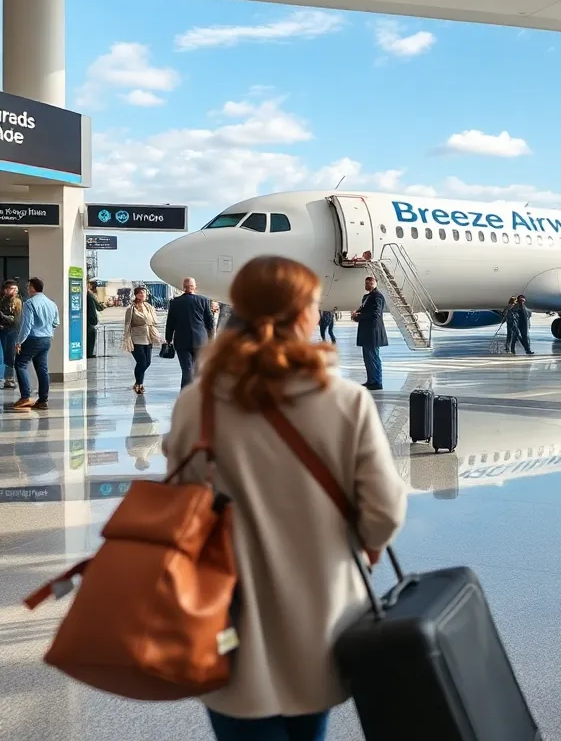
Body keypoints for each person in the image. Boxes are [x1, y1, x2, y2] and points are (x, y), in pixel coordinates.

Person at [162, 255, 407, 741]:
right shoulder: (345, 400)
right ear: (301, 315)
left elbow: (178, 504)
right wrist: (367, 545)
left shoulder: (198, 402)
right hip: (320, 619)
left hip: (225, 616)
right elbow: (383, 510)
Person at [12, 277, 60, 412]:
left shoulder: (29, 303)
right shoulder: (51, 303)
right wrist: (49, 334)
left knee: (20, 364)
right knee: (42, 369)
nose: (27, 289)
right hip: (46, 339)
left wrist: (19, 341)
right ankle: (43, 400)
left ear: (33, 288)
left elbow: (27, 326)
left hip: (33, 339)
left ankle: (25, 397)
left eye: (28, 286)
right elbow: (56, 323)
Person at [164, 277, 215, 389]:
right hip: (200, 340)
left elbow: (170, 323)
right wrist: (211, 337)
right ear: (195, 287)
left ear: (183, 288)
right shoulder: (204, 300)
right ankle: (198, 392)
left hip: (181, 341)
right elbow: (210, 322)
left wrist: (168, 338)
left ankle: (185, 393)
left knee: (187, 369)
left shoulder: (175, 302)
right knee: (198, 369)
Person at [122, 286, 162, 395]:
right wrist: (126, 338)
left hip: (148, 337)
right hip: (136, 338)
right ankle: (139, 384)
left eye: (144, 293)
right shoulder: (131, 309)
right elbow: (127, 324)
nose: (143, 295)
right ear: (136, 295)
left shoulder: (148, 306)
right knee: (141, 362)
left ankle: (138, 383)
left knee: (147, 362)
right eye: (140, 293)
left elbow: (154, 321)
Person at [352, 275, 388, 390]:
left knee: (374, 357)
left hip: (373, 332)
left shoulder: (377, 296)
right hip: (366, 332)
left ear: (376, 283)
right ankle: (371, 380)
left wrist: (360, 316)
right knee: (368, 358)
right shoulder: (366, 297)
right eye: (366, 283)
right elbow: (363, 310)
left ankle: (377, 381)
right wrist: (356, 315)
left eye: (370, 283)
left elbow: (376, 313)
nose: (368, 285)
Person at [0, 281, 22, 389]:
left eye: (15, 288)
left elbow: (16, 320)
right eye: (12, 288)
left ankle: (10, 378)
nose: (15, 291)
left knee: (10, 354)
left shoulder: (17, 302)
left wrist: (3, 316)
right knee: (3, 355)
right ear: (6, 290)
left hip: (12, 331)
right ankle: (4, 378)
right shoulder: (2, 301)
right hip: (3, 330)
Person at [86, 280, 102, 359]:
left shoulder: (88, 295)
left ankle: (88, 352)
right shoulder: (89, 295)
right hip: (89, 322)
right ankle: (89, 353)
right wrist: (94, 320)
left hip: (87, 321)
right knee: (91, 335)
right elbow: (97, 308)